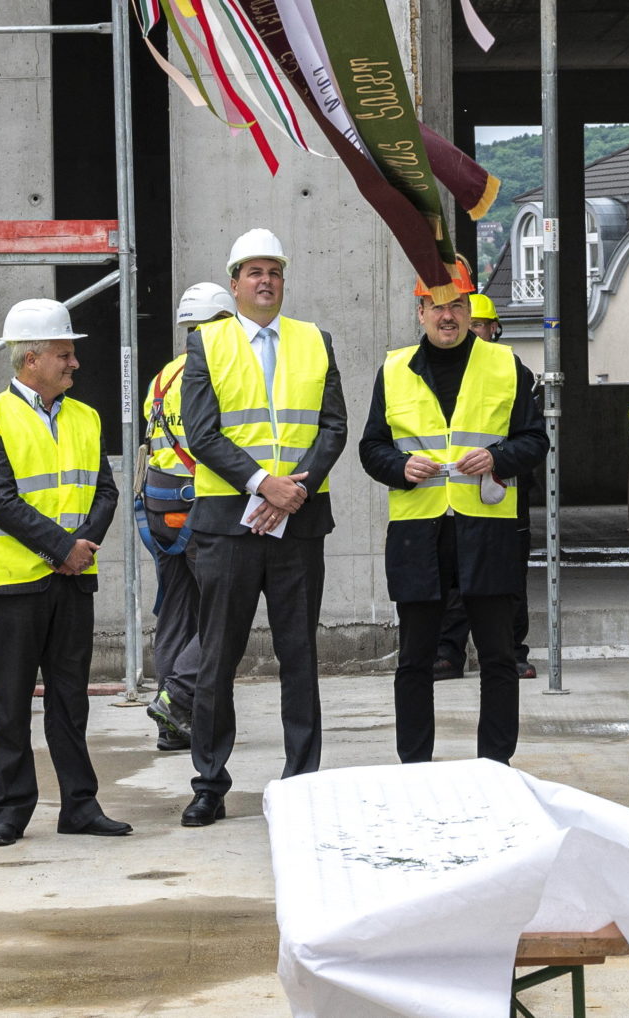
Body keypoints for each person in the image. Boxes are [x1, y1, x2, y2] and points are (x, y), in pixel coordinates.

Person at [177, 228, 349, 827]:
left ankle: (302, 778)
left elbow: (333, 427)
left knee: (299, 655)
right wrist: (260, 484)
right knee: (218, 659)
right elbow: (201, 433)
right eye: (253, 272)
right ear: (234, 283)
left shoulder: (314, 341)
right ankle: (208, 783)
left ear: (284, 277)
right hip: (228, 528)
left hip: (298, 523)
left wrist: (292, 488)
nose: (265, 280)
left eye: (273, 270)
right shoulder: (207, 344)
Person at [359, 267, 548, 764]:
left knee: (498, 657)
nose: (449, 315)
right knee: (416, 659)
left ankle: (495, 764)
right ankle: (415, 766)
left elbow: (535, 440)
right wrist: (401, 466)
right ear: (420, 313)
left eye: (458, 305)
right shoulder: (395, 369)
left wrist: (499, 458)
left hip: (486, 529)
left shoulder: (506, 366)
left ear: (470, 312)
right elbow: (371, 448)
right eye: (438, 306)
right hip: (418, 534)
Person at [0, 298, 128, 843]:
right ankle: (10, 809)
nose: (74, 363)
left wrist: (82, 548)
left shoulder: (85, 416)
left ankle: (79, 805)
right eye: (64, 353)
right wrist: (64, 548)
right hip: (15, 583)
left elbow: (106, 491)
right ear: (30, 359)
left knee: (70, 701)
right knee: (10, 702)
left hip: (73, 580)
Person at [141, 281, 235, 753]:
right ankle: (178, 701)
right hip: (202, 509)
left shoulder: (162, 378)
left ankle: (170, 725)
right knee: (223, 612)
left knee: (177, 615)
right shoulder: (215, 371)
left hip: (159, 511)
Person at [437, 290, 537, 682]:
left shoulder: (513, 371)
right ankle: (448, 653)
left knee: (508, 578)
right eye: (470, 323)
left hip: (503, 496)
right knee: (452, 580)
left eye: (480, 324)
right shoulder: (439, 370)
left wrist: (498, 459)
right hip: (447, 500)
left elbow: (532, 441)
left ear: (495, 329)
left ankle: (512, 652)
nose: (474, 331)